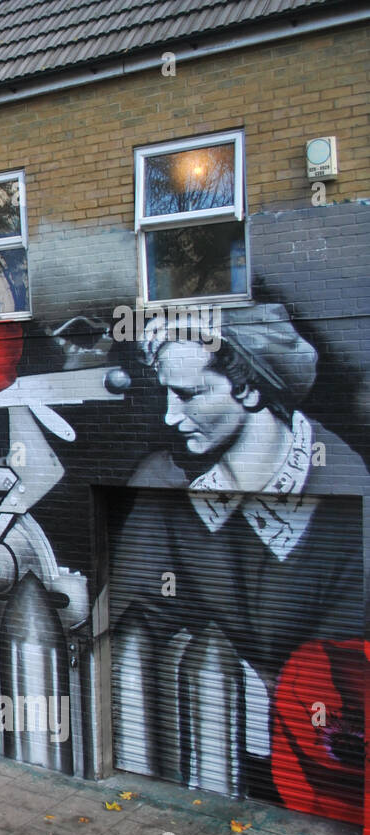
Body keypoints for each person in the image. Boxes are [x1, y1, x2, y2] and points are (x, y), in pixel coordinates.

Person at [111, 303, 368, 800]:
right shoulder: (162, 481)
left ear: (248, 388)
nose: (169, 415)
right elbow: (130, 622)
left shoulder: (345, 491)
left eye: (188, 394)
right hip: (196, 764)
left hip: (313, 778)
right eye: (165, 393)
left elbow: (342, 672)